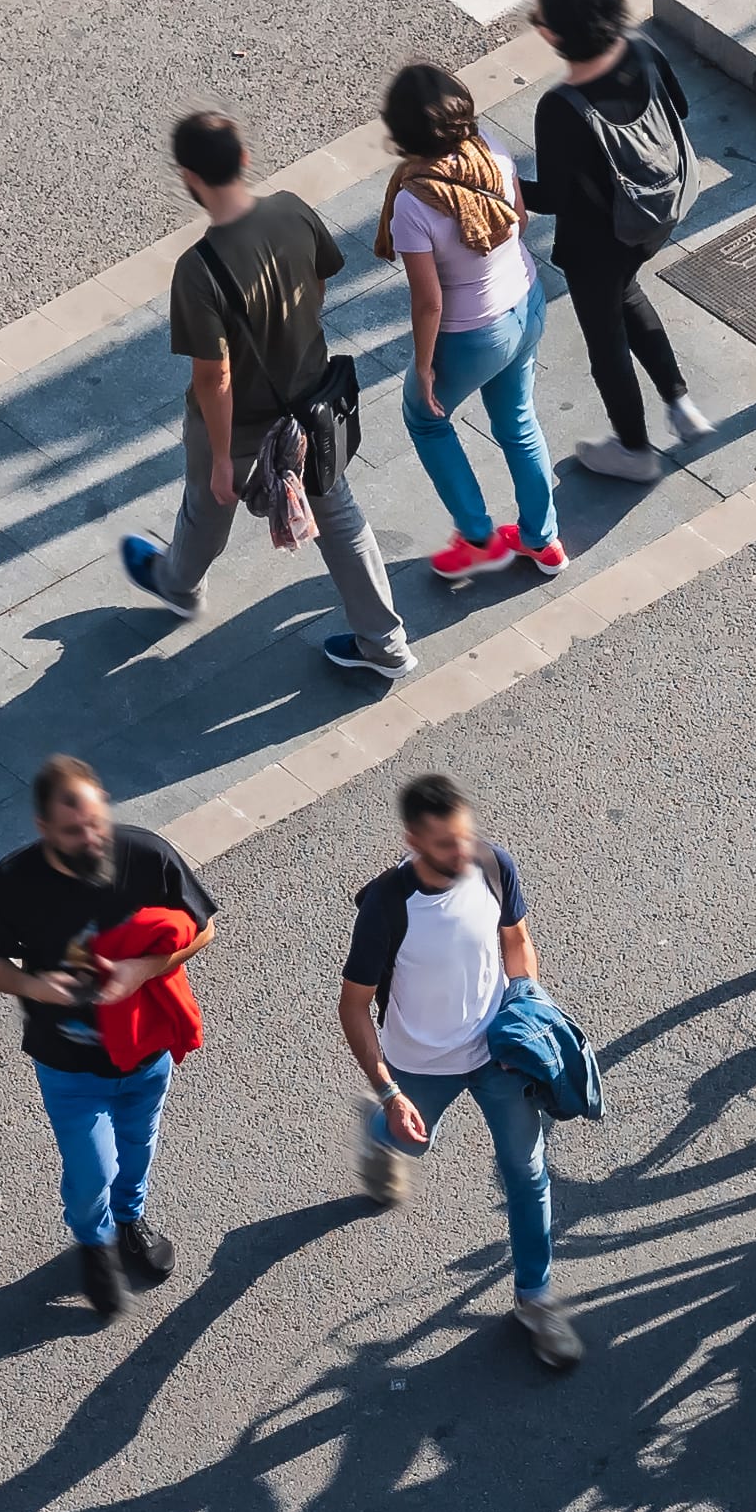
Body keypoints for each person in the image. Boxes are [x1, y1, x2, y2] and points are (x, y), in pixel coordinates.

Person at [120, 109, 418, 689]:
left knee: (208, 506)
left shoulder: (199, 270)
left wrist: (228, 457)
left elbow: (215, 378)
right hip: (311, 408)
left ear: (189, 176)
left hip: (242, 423)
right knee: (339, 515)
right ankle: (387, 644)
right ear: (245, 160)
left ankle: (178, 586)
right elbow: (322, 278)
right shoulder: (291, 210)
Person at [338, 771, 580, 1371]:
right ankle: (380, 1135)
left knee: (526, 1174)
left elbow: (516, 938)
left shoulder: (493, 864)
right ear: (413, 842)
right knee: (405, 1144)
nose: (461, 853)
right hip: (419, 1066)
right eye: (446, 845)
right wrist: (389, 1091)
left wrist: (525, 995)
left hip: (498, 1054)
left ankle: (535, 1300)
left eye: (465, 838)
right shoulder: (387, 908)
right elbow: (352, 1007)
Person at [0, 756, 219, 1320]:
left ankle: (129, 1220)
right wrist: (36, 986)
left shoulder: (146, 854)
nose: (91, 838)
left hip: (146, 1049)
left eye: (97, 823)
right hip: (68, 1064)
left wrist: (146, 969)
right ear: (43, 829)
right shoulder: (13, 883)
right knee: (90, 1172)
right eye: (74, 831)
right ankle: (94, 1241)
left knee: (138, 1145)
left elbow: (205, 926)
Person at [527, 0, 714, 484]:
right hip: (658, 212)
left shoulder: (561, 108)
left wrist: (498, 185)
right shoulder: (642, 49)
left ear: (556, 35)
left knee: (605, 339)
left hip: (599, 240)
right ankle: (680, 405)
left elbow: (554, 198)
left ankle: (633, 449)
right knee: (627, 294)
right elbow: (679, 105)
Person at [380, 63, 565, 588]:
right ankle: (542, 540)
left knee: (427, 419)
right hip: (526, 302)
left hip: (469, 334)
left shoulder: (414, 204)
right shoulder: (492, 152)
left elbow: (429, 303)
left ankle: (478, 537)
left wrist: (423, 365)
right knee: (518, 422)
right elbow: (521, 222)